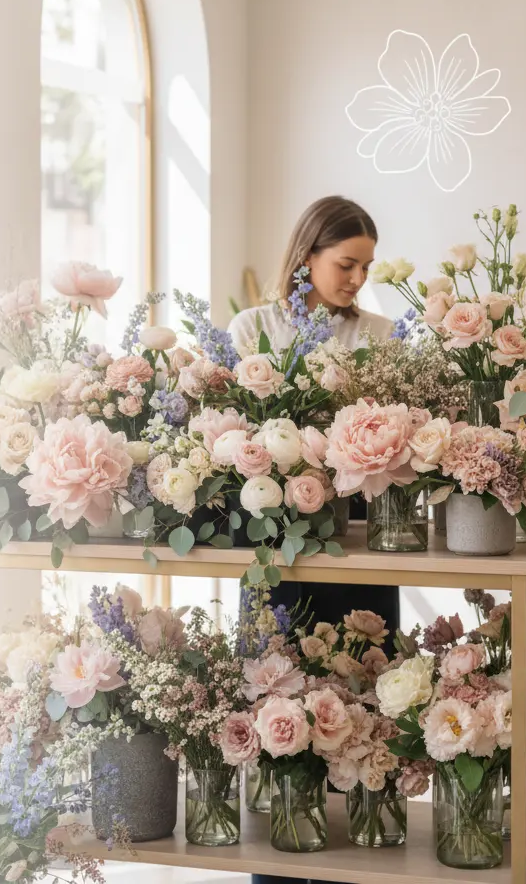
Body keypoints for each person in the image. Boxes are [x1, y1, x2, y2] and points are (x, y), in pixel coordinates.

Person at [227, 196, 396, 884]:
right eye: (345, 264)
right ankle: (276, 860)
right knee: (275, 706)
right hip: (276, 545)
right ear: (307, 256)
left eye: (365, 267)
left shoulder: (381, 333)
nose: (356, 279)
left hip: (355, 543)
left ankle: (363, 854)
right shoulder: (251, 328)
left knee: (361, 706)